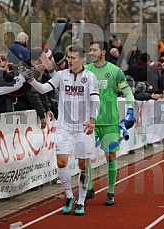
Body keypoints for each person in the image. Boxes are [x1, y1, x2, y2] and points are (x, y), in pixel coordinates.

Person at [27, 45, 100, 215]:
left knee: (83, 165)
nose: (69, 60)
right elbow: (44, 89)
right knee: (61, 162)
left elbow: (95, 100)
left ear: (82, 60)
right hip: (64, 127)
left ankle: (81, 200)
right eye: (68, 57)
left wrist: (92, 121)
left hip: (83, 127)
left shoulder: (90, 77)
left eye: (73, 58)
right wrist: (32, 81)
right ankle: (69, 195)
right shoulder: (61, 75)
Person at [85, 40, 135, 206]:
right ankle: (90, 188)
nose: (91, 53)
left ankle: (111, 191)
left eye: (94, 50)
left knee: (111, 157)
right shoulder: (85, 70)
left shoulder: (115, 72)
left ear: (103, 52)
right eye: (90, 50)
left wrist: (130, 110)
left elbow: (128, 93)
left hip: (110, 123)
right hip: (90, 123)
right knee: (85, 156)